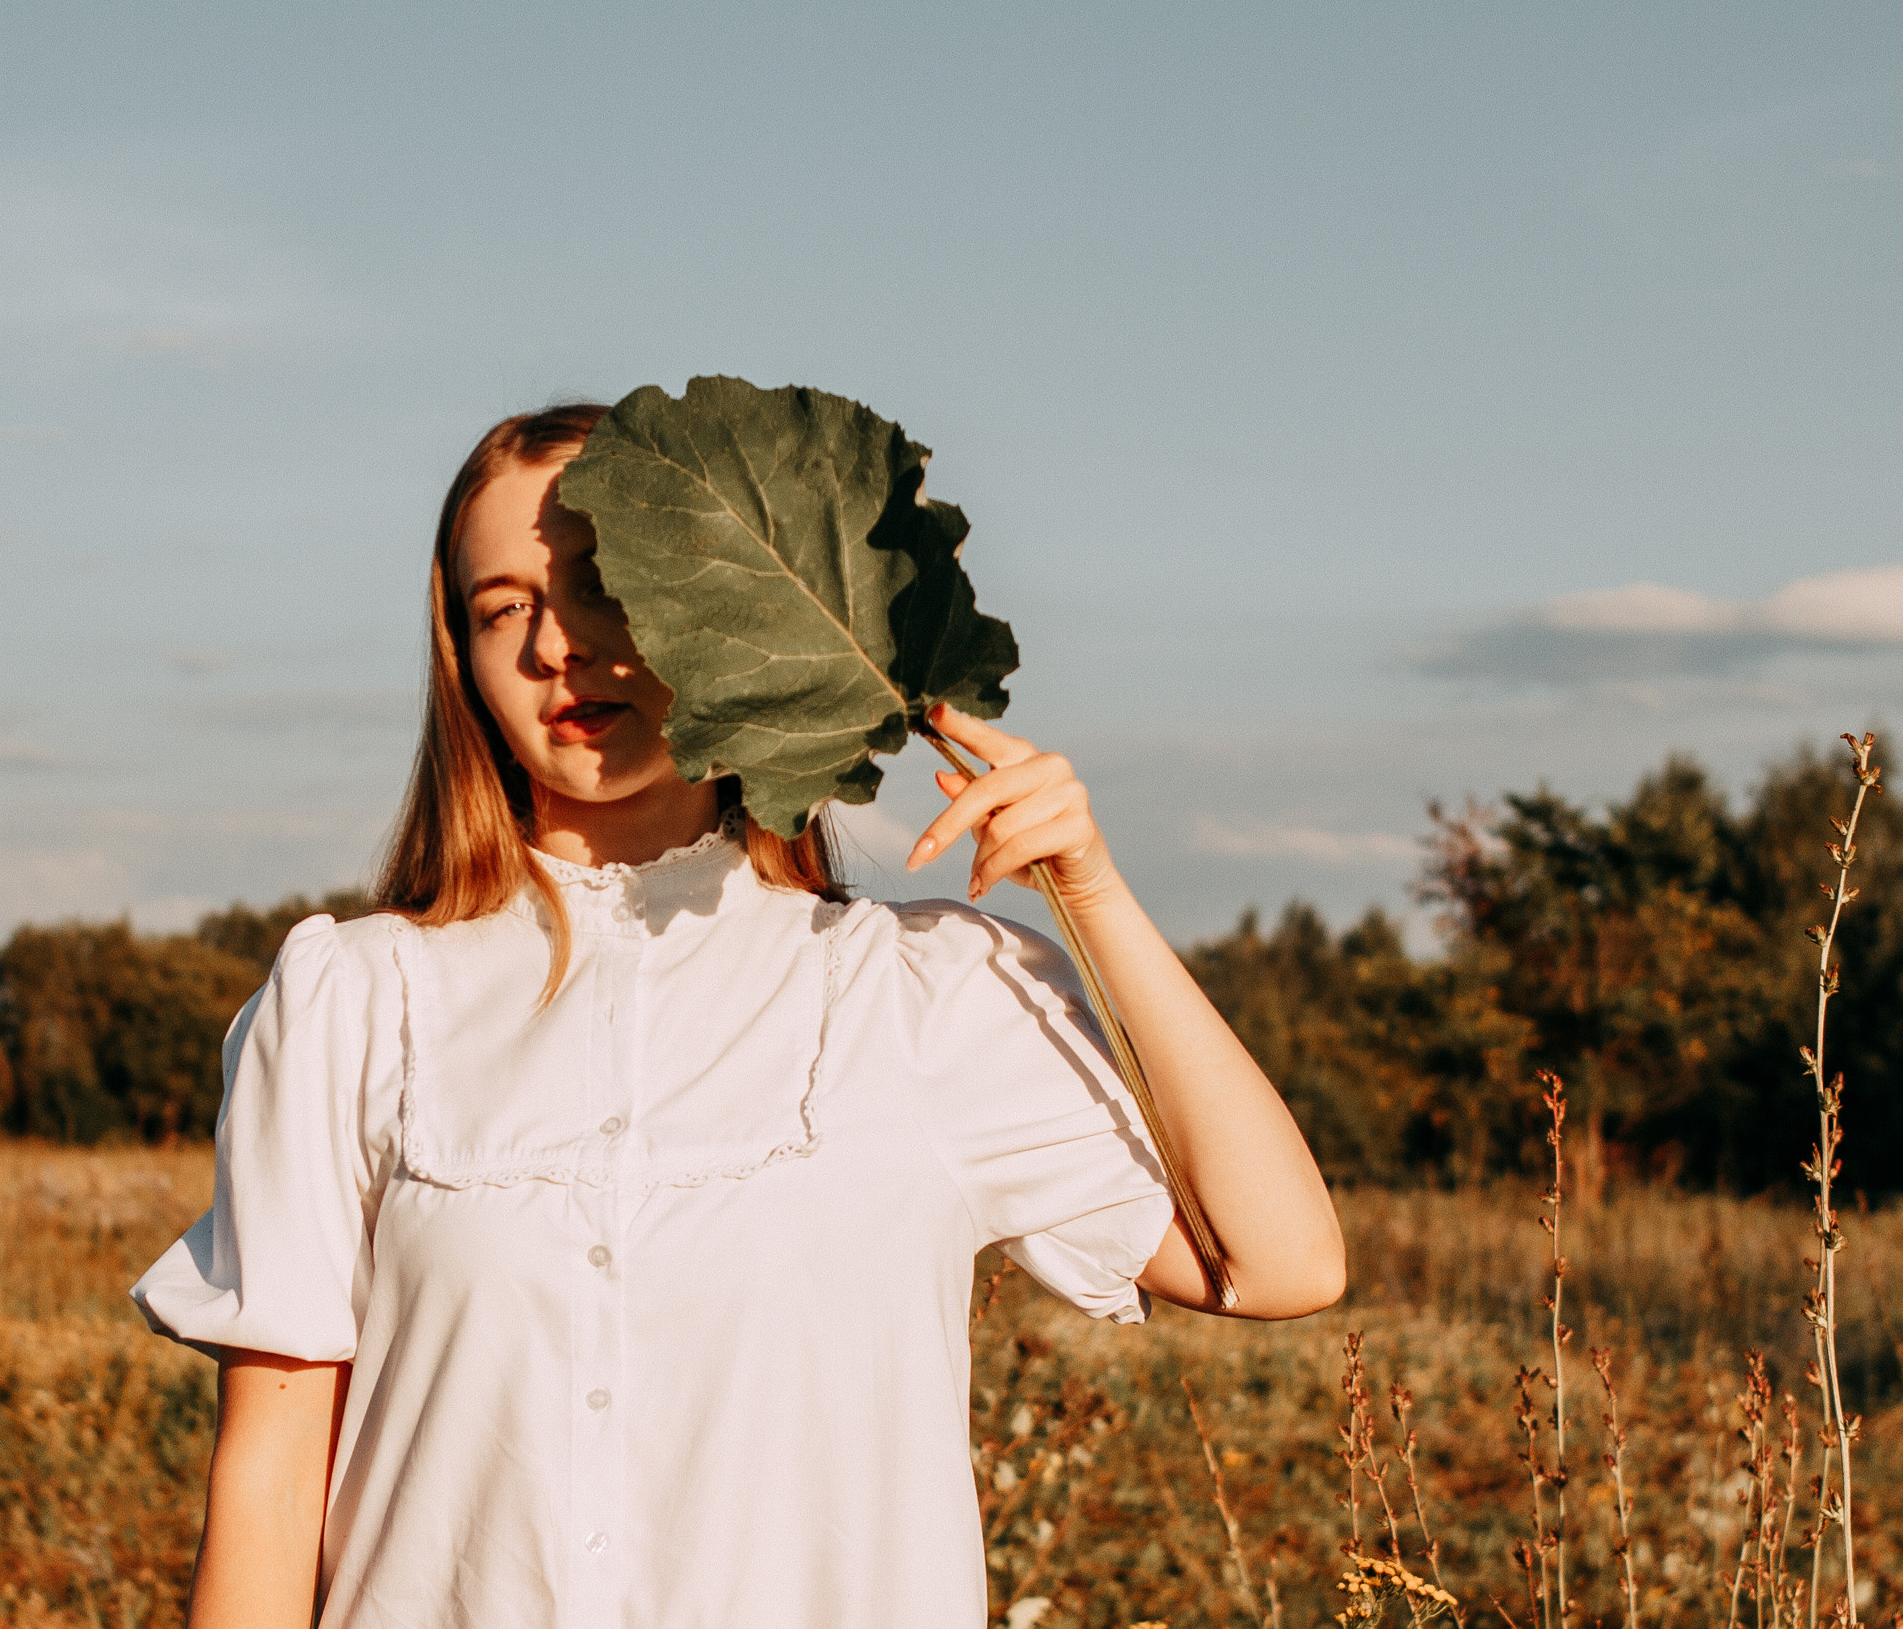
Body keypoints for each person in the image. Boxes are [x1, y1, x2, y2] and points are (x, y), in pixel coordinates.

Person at [132, 403, 1345, 1629]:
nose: (556, 644)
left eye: (602, 582)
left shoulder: (920, 995)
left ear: (725, 610)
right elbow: (273, 1475)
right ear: (462, 656)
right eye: (502, 607)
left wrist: (1090, 890)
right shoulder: (353, 997)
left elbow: (1279, 1263)